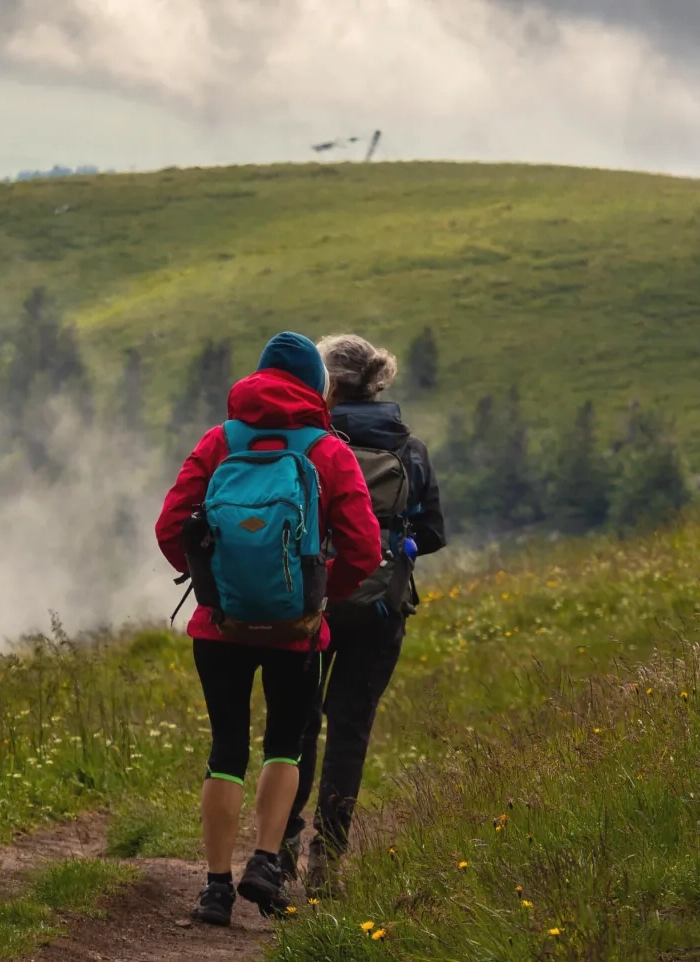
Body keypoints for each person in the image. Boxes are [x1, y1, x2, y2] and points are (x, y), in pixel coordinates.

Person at [155, 332, 381, 924]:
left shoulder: (219, 441)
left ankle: (214, 888)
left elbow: (170, 526)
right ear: (314, 386)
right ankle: (264, 861)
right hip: (297, 631)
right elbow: (363, 547)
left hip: (220, 627)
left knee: (225, 748)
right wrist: (318, 592)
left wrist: (214, 584)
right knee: (286, 744)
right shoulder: (329, 451)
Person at [281, 333, 446, 894]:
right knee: (349, 731)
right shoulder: (411, 449)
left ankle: (277, 853)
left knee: (297, 726)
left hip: (308, 604)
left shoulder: (310, 441)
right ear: (378, 380)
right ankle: (327, 863)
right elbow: (432, 534)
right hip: (378, 610)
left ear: (326, 382)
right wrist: (390, 548)